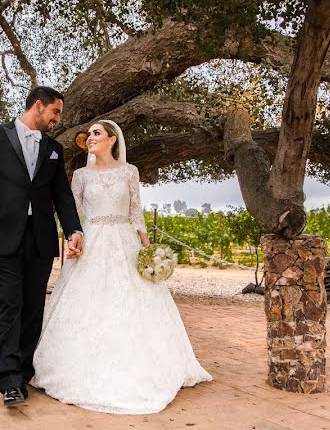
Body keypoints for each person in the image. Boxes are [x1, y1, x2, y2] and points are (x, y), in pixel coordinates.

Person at [30, 120, 212, 414]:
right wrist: (72, 239)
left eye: (96, 134)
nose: (90, 138)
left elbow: (136, 211)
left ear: (113, 139)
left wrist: (149, 249)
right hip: (90, 243)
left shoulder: (130, 172)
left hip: (124, 242)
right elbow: (71, 212)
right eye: (88, 135)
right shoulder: (80, 175)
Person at [0, 86, 84, 406]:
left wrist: (73, 230)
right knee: (10, 304)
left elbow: (62, 195)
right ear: (38, 106)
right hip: (1, 236)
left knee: (33, 308)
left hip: (40, 239)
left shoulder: (54, 148)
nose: (58, 119)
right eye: (55, 112)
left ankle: (25, 372)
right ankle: (9, 380)